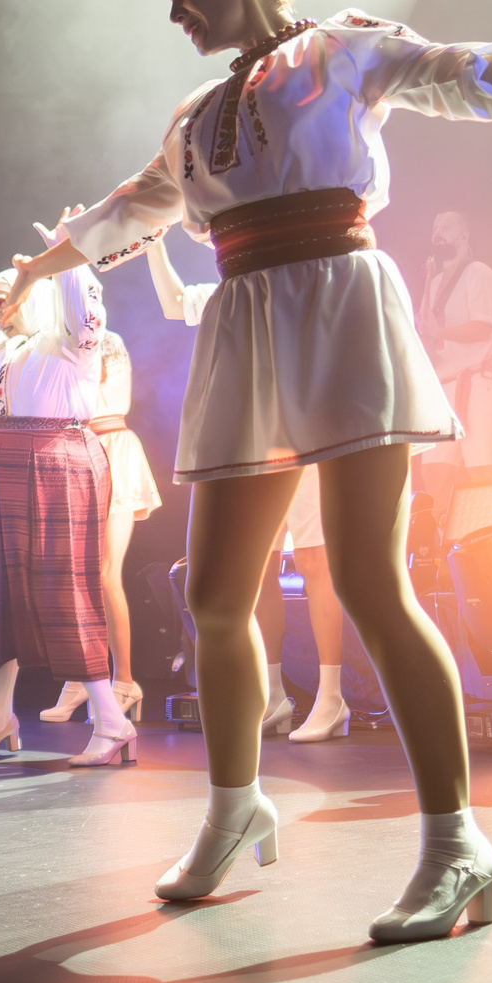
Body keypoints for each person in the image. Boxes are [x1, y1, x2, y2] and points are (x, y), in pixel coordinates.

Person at [1, 0, 492, 942]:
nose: (176, 9)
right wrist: (28, 270)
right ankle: (235, 805)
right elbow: (133, 204)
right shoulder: (194, 113)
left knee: (371, 578)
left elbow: (466, 71)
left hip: (337, 303)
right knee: (212, 591)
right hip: (245, 321)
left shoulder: (345, 47)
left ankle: (456, 842)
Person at [0, 226, 138, 769]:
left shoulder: (71, 344)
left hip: (57, 458)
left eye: (4, 294)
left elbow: (82, 309)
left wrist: (64, 258)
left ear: (33, 295)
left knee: (62, 589)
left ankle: (110, 719)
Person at [144, 235, 353, 743]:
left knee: (315, 562)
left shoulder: (301, 280)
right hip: (257, 442)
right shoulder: (229, 291)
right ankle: (273, 693)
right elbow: (174, 302)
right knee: (258, 569)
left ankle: (332, 698)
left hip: (310, 434)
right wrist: (152, 243)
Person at [41, 298, 161, 731]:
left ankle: (124, 679)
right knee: (74, 574)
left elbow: (88, 398)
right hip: (80, 453)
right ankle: (81, 677)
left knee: (106, 572)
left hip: (111, 448)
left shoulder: (103, 341)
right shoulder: (56, 346)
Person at [415, 210, 492, 505]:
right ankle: (441, 544)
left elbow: (482, 328)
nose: (437, 232)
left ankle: (488, 539)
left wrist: (439, 332)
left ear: (464, 236)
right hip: (443, 388)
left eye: (446, 227)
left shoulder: (479, 273)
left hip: (479, 380)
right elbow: (428, 335)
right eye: (435, 227)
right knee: (434, 474)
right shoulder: (433, 281)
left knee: (480, 472)